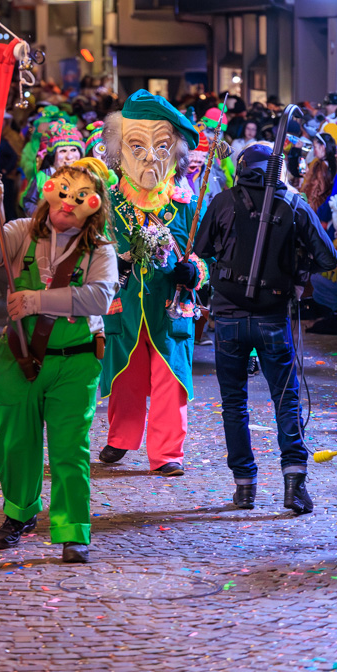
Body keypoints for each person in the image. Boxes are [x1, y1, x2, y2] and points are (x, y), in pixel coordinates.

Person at [194, 142, 337, 515]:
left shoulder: (224, 200)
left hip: (228, 316)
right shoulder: (292, 203)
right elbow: (328, 256)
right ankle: (294, 486)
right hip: (273, 316)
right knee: (285, 400)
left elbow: (201, 245)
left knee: (234, 404)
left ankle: (244, 488)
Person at [0, 157, 117, 563]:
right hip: (18, 359)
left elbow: (99, 297)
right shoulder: (19, 233)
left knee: (70, 449)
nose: (68, 202)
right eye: (63, 190)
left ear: (94, 204)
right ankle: (20, 513)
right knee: (15, 444)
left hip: (75, 362)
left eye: (80, 196)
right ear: (48, 190)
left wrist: (36, 301)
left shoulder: (101, 249)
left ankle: (72, 529)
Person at [98, 90, 209, 477]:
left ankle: (166, 453)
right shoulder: (107, 202)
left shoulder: (188, 204)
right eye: (137, 145)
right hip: (123, 303)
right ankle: (121, 437)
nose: (150, 157)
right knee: (124, 372)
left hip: (170, 306)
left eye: (162, 146)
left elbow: (209, 256)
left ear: (176, 151)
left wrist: (196, 272)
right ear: (118, 149)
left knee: (170, 376)